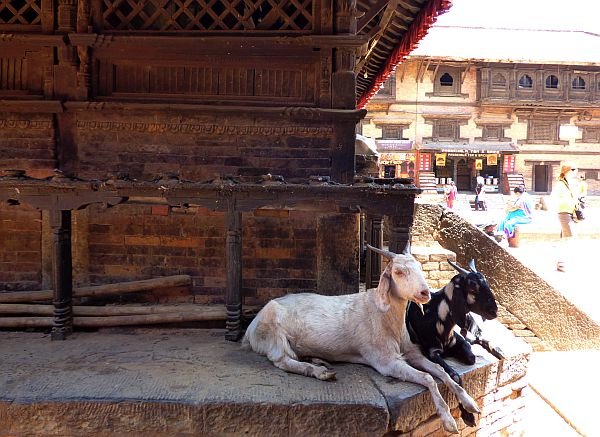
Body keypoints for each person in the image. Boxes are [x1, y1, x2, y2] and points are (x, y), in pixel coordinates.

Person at [551, 164, 579, 272]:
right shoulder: (560, 184)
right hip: (564, 212)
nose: (575, 171)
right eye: (572, 169)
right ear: (566, 171)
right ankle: (561, 262)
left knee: (565, 239)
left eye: (575, 169)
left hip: (570, 213)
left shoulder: (571, 184)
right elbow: (554, 198)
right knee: (569, 238)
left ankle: (561, 262)